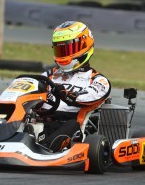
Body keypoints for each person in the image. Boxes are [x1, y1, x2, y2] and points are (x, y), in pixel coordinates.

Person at [37, 21, 111, 152]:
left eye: (67, 49)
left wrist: (68, 94)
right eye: (60, 49)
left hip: (70, 124)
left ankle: (44, 151)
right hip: (41, 121)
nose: (63, 54)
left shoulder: (97, 79)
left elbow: (91, 96)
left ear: (84, 46)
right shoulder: (48, 75)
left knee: (70, 125)